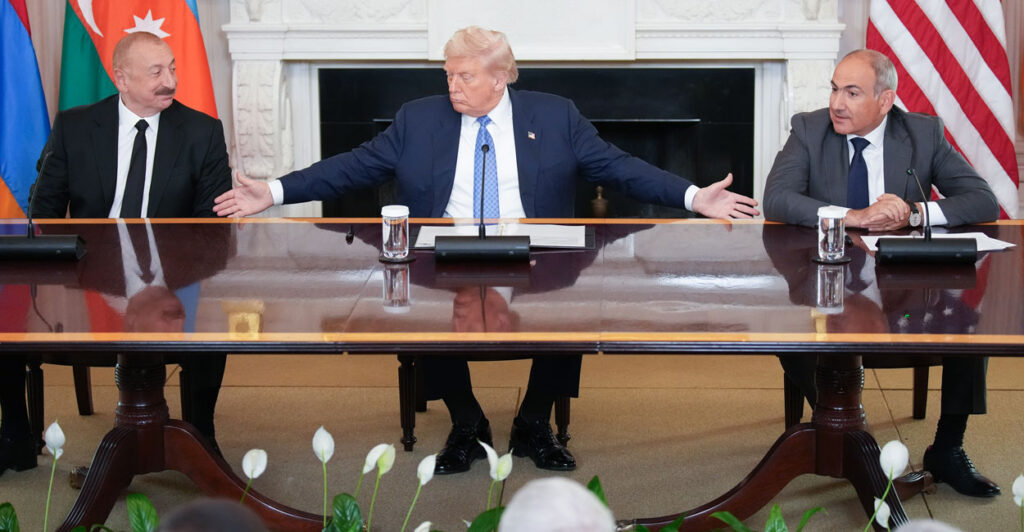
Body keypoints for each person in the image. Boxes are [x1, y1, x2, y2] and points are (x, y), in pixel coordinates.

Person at [214, 26, 759, 474]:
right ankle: (467, 422)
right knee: (423, 305)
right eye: (448, 75)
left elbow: (620, 166)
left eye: (465, 76)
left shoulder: (555, 115)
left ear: (500, 79)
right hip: (441, 251)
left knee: (569, 308)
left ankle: (533, 422)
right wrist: (274, 191)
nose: (452, 86)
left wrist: (694, 196)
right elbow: (352, 166)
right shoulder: (418, 118)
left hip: (537, 252)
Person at [762, 49, 1000, 497]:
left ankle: (948, 448)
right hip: (827, 282)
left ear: (885, 100)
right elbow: (776, 198)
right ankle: (847, 433)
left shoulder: (922, 133)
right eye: (835, 89)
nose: (837, 103)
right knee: (791, 337)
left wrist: (914, 212)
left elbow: (982, 200)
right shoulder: (810, 129)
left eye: (852, 93)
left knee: (969, 330)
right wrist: (854, 216)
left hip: (903, 292)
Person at [0, 31, 232, 478]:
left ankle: (201, 435)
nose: (170, 81)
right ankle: (14, 434)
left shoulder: (202, 132)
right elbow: (44, 209)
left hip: (172, 273)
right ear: (121, 78)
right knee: (7, 312)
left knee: (208, 323)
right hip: (89, 274)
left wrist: (168, 281)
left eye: (172, 68)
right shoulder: (75, 126)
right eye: (156, 72)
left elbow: (211, 226)